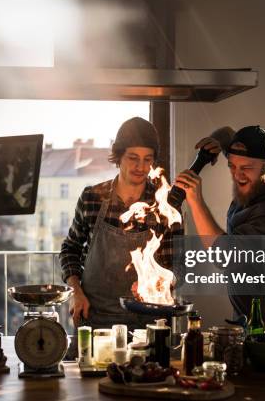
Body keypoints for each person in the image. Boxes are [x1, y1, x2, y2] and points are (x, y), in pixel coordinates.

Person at [60, 117, 183, 331]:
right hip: (95, 320)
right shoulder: (92, 198)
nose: (140, 167)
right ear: (118, 157)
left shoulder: (165, 204)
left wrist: (155, 284)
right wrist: (76, 292)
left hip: (149, 323)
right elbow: (70, 249)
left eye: (147, 159)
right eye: (133, 158)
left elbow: (178, 263)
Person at [174, 125, 265, 319]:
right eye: (232, 166)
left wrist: (195, 201)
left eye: (245, 168)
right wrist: (216, 142)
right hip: (244, 316)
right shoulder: (261, 175)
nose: (237, 175)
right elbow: (226, 134)